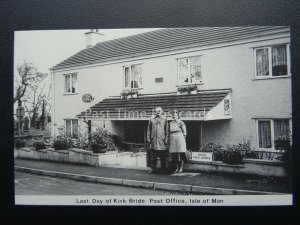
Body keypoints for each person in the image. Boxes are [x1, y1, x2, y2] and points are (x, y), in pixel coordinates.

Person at [147, 107, 169, 174]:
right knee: (153, 156)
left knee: (163, 157)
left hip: (162, 140)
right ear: (155, 112)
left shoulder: (164, 119)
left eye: (159, 111)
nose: (158, 112)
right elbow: (149, 129)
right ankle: (153, 169)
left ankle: (163, 169)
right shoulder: (151, 119)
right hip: (153, 140)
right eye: (157, 111)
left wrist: (166, 139)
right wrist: (148, 138)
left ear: (162, 111)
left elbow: (167, 130)